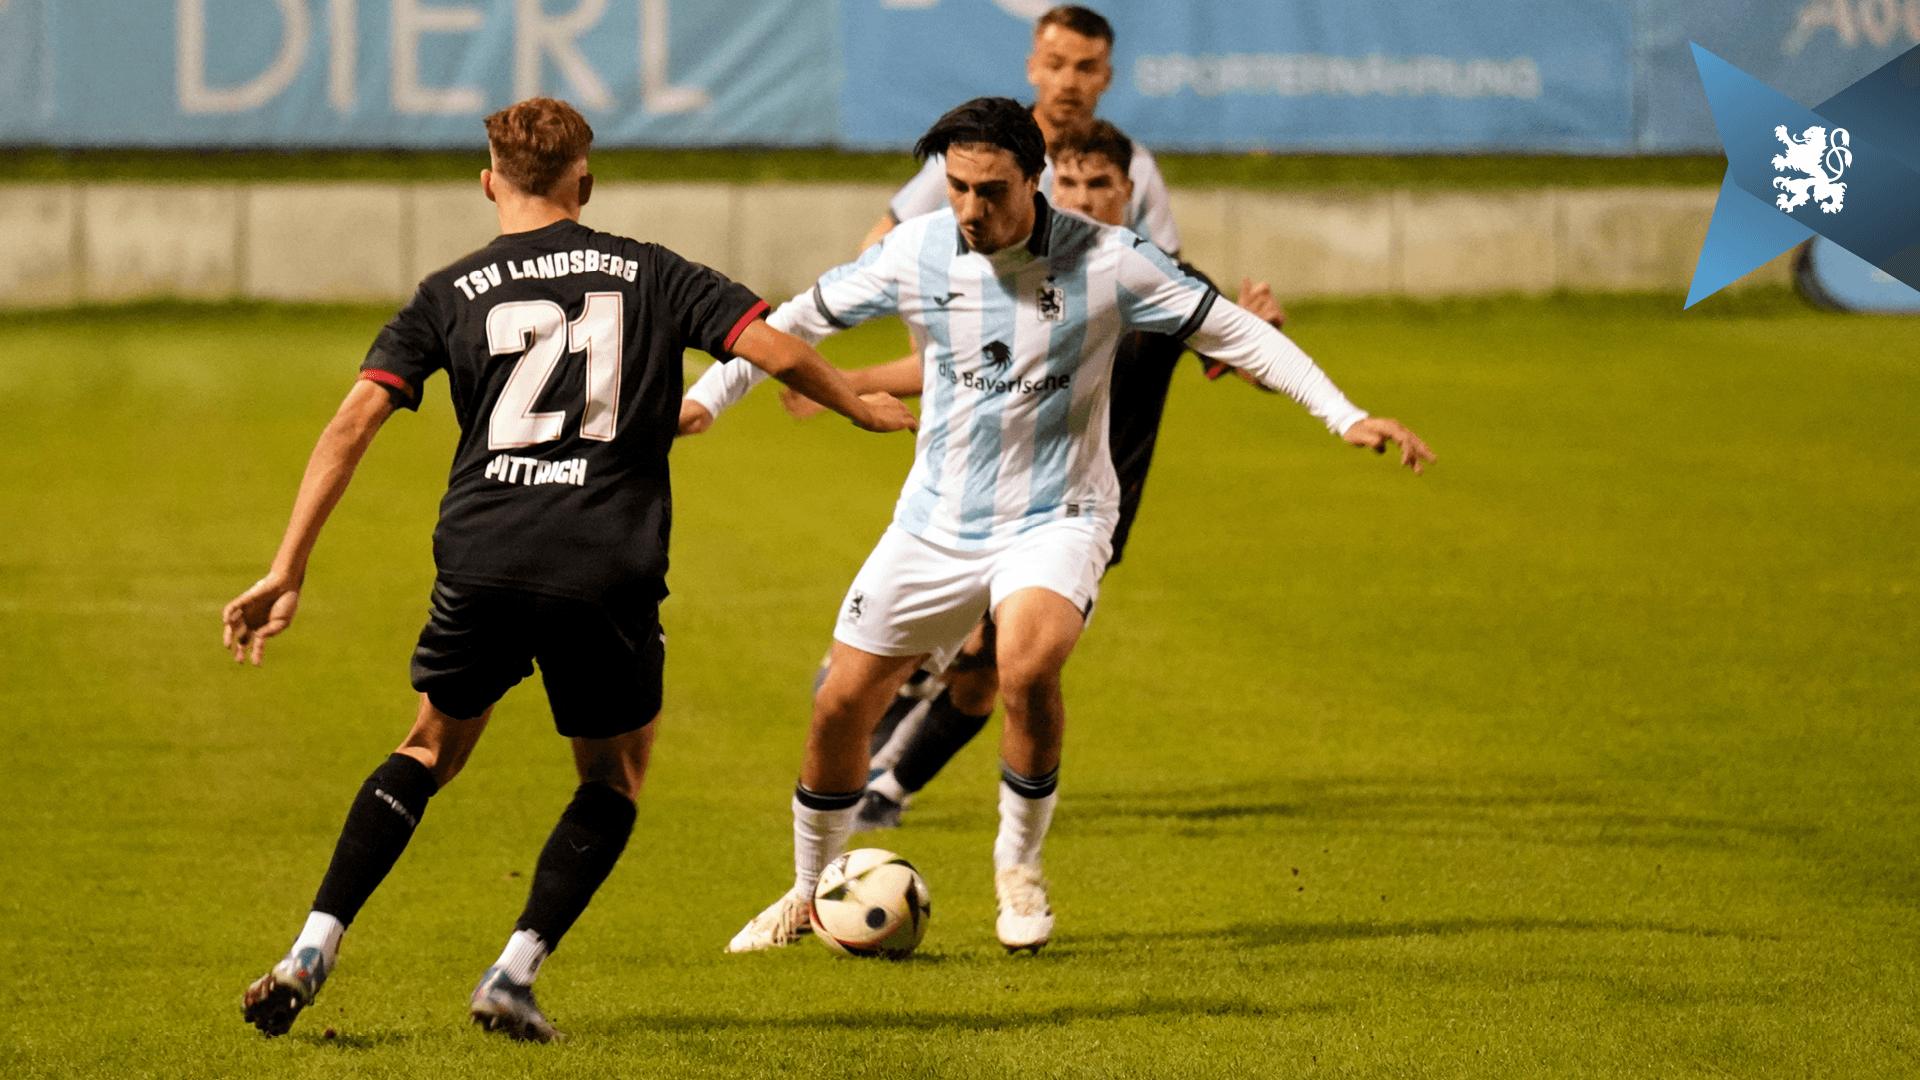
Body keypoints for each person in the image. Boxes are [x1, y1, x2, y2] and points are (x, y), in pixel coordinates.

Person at [222, 97, 914, 1043]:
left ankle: (312, 944)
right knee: (614, 774)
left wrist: (285, 567)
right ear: (585, 180)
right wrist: (858, 404)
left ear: (488, 182)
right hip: (603, 566)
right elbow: (774, 347)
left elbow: (353, 422)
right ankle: (512, 971)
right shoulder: (653, 270)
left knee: (429, 746)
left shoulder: (449, 292)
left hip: (483, 557)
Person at [699, 97, 1431, 957]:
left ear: (1034, 179)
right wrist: (703, 401)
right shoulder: (917, 250)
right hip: (935, 522)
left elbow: (1235, 331)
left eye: (991, 190)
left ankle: (1017, 866)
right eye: (957, 188)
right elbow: (787, 324)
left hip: (1060, 516)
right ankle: (802, 892)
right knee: (838, 707)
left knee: (1028, 660)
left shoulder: (1112, 261)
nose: (971, 210)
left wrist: (1343, 414)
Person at [691, 121, 1299, 833]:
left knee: (992, 666)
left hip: (1078, 510)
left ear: (1128, 194)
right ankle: (888, 777)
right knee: (981, 668)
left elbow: (1248, 364)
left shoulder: (1153, 275)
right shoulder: (1019, 264)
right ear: (1048, 185)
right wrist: (842, 382)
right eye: (1070, 182)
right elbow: (963, 361)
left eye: (1099, 185)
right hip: (987, 499)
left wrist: (1271, 333)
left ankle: (895, 759)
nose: (1083, 197)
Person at [858, 5, 1180, 257]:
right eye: (1055, 64)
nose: (1069, 82)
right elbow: (881, 240)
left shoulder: (1134, 163)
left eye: (1085, 67)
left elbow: (1168, 267)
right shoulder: (975, 151)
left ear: (1106, 77)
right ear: (1032, 68)